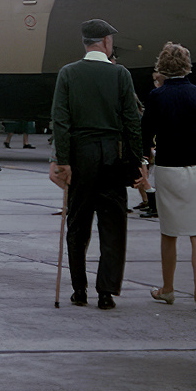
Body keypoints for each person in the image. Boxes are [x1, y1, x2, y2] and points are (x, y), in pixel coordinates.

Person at [50, 19, 146, 310]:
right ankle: (106, 291)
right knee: (113, 224)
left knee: (78, 224)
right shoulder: (120, 75)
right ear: (105, 42)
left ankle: (79, 289)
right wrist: (138, 160)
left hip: (80, 157)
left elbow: (61, 121)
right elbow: (132, 121)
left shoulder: (68, 73)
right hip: (112, 156)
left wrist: (62, 161)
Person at [142, 43, 196, 312]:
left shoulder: (156, 97)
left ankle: (168, 289)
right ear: (187, 65)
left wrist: (146, 158)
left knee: (169, 233)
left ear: (162, 66)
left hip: (169, 169)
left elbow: (145, 135)